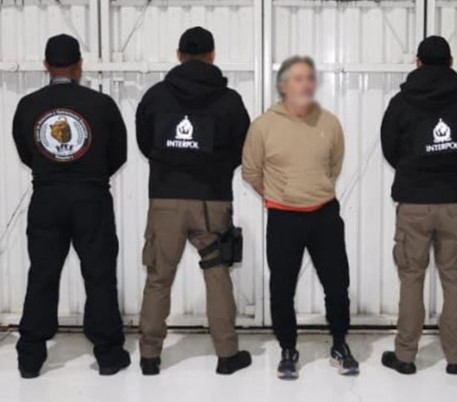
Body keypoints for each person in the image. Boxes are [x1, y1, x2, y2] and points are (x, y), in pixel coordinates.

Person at [12, 34, 130, 378]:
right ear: (79, 65)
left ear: (46, 65)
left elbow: (26, 151)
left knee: (42, 275)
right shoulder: (102, 105)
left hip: (47, 197)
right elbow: (118, 153)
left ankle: (30, 359)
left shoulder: (28, 106)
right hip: (91, 198)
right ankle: (108, 355)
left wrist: (52, 171)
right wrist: (90, 175)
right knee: (99, 275)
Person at [135, 26, 251, 376]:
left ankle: (149, 357)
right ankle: (227, 355)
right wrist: (214, 169)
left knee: (159, 278)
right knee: (217, 273)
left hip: (165, 200)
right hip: (211, 201)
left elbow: (145, 143)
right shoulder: (229, 101)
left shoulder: (156, 96)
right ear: (212, 55)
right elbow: (241, 148)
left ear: (179, 54)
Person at [378, 36, 457, 375]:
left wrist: (413, 168)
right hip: (456, 201)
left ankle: (405, 356)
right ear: (451, 62)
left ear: (417, 62)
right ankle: (456, 357)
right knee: (454, 278)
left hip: (414, 201)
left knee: (411, 278)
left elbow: (389, 148)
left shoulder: (402, 101)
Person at [242, 56, 358, 380]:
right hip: (283, 218)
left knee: (337, 285)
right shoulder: (263, 126)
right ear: (282, 86)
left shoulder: (330, 123)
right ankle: (288, 349)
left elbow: (333, 166)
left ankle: (339, 345)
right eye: (297, 78)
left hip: (325, 216)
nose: (305, 84)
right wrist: (279, 196)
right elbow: (251, 171)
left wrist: (312, 190)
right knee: (282, 289)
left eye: (309, 78)